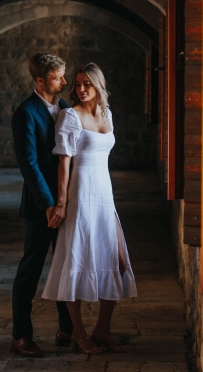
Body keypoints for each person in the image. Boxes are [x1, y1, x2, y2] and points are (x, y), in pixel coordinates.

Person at [42, 62, 137, 355]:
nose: (81, 89)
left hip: (104, 194)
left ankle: (102, 329)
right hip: (81, 193)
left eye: (87, 84)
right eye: (78, 84)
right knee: (77, 260)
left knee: (118, 260)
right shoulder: (70, 116)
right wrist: (61, 202)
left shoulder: (107, 114)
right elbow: (64, 163)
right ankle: (78, 334)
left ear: (99, 86)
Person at [11, 53, 73, 357]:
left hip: (65, 204)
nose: (63, 81)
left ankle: (67, 331)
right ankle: (21, 336)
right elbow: (29, 165)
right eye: (57, 77)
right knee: (31, 269)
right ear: (39, 80)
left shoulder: (64, 107)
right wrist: (49, 203)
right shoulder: (25, 113)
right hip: (40, 207)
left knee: (64, 267)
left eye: (63, 76)